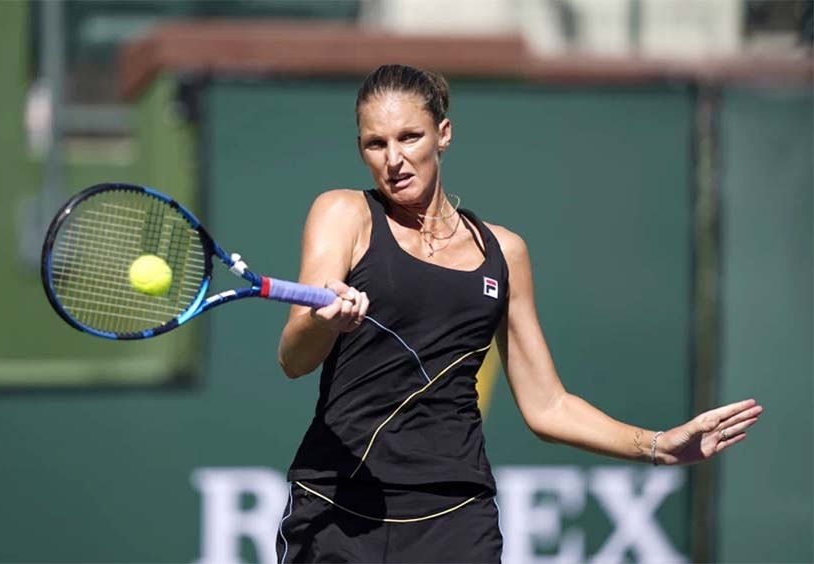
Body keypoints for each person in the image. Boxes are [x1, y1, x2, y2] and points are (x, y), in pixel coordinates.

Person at [275, 63, 762, 564]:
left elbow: (546, 405)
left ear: (443, 134)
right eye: (376, 144)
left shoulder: (504, 253)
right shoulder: (343, 214)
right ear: (361, 149)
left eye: (410, 137)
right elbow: (294, 357)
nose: (394, 159)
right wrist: (322, 321)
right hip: (337, 504)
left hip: (455, 514)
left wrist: (657, 445)